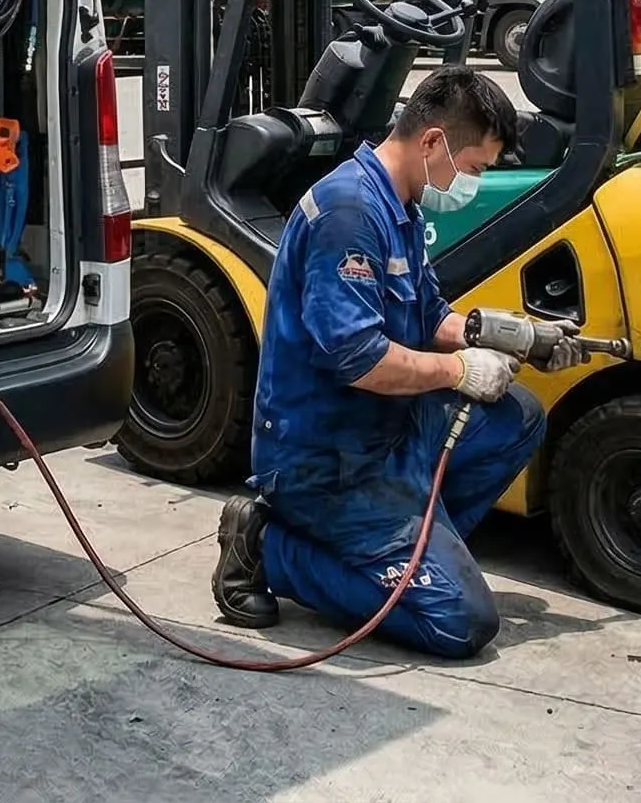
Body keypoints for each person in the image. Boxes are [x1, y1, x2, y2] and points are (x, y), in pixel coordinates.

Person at [210, 66, 569, 659]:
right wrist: (459, 372)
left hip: (386, 432)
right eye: (474, 167)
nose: (473, 183)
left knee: (516, 416)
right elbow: (359, 360)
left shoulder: (400, 205)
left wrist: (509, 337)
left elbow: (429, 315)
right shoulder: (349, 213)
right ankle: (270, 545)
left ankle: (411, 551)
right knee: (462, 622)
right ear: (432, 142)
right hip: (325, 459)